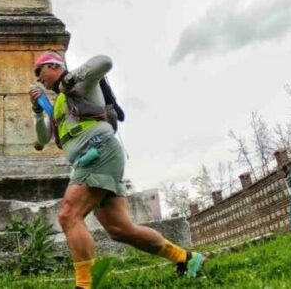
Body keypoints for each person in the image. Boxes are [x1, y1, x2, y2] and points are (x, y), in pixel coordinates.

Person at [29, 51, 207, 288]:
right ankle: (186, 258)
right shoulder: (59, 102)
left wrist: (69, 80)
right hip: (89, 159)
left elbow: (104, 62)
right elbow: (41, 140)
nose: (40, 80)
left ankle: (85, 284)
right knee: (121, 229)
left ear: (53, 65)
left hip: (98, 151)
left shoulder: (80, 84)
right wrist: (39, 111)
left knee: (69, 215)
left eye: (40, 74)